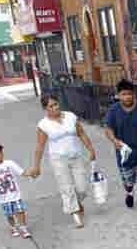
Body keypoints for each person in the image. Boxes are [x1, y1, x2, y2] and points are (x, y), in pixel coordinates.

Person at [29, 95, 97, 229]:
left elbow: (81, 133)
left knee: (82, 187)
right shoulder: (44, 125)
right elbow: (40, 146)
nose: (55, 108)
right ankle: (75, 214)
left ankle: (77, 202)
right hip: (58, 159)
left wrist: (91, 149)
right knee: (66, 187)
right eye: (51, 106)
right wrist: (36, 166)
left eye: (56, 104)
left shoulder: (70, 116)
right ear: (45, 109)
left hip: (76, 156)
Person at [104, 79, 137, 215]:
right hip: (124, 153)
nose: (127, 97)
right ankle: (130, 193)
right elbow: (108, 129)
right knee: (128, 180)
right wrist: (114, 140)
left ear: (134, 94)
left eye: (129, 94)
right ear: (118, 96)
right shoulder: (114, 110)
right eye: (123, 94)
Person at [0, 144, 34, 238]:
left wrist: (30, 174)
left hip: (15, 195)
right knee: (9, 214)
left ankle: (23, 227)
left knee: (20, 211)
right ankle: (13, 227)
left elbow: (21, 172)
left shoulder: (9, 163)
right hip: (3, 198)